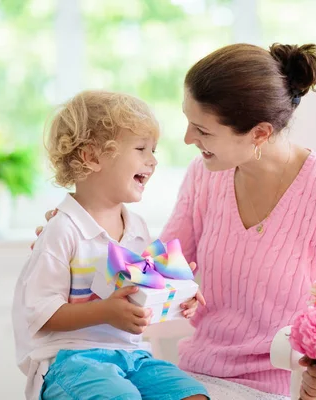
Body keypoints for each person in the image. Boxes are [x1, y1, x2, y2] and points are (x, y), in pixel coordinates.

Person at [36, 43, 316, 400]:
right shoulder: (206, 176)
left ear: (259, 133)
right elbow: (152, 274)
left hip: (281, 387)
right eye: (188, 121)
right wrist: (80, 236)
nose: (188, 138)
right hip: (197, 378)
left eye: (203, 130)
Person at [13, 90, 209, 400]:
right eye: (141, 148)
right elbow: (41, 313)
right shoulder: (62, 230)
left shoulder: (138, 228)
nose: (153, 160)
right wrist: (104, 311)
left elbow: (141, 295)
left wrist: (178, 294)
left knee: (193, 395)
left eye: (153, 149)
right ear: (92, 157)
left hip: (131, 356)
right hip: (71, 360)